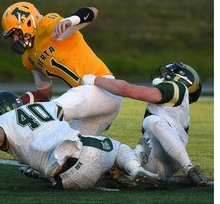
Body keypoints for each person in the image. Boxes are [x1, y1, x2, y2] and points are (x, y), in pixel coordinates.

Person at [0, 90, 160, 191]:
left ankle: (115, 171)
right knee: (116, 146)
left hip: (66, 183)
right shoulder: (43, 107)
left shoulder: (0, 124)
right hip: (86, 153)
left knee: (55, 162)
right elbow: (59, 107)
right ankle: (133, 166)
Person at [1, 2, 122, 136]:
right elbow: (45, 94)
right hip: (88, 100)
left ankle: (8, 133)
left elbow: (93, 11)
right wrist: (27, 102)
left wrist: (70, 21)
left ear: (28, 22)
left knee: (52, 111)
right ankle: (126, 155)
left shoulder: (47, 24)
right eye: (13, 36)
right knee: (69, 148)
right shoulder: (28, 58)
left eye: (16, 33)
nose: (16, 39)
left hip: (103, 88)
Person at [81, 62, 209, 187]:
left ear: (180, 78)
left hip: (169, 154)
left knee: (151, 121)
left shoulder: (178, 88)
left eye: (168, 73)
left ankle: (189, 168)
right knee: (117, 148)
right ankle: (131, 173)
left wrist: (95, 79)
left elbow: (126, 90)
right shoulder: (174, 102)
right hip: (154, 158)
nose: (163, 75)